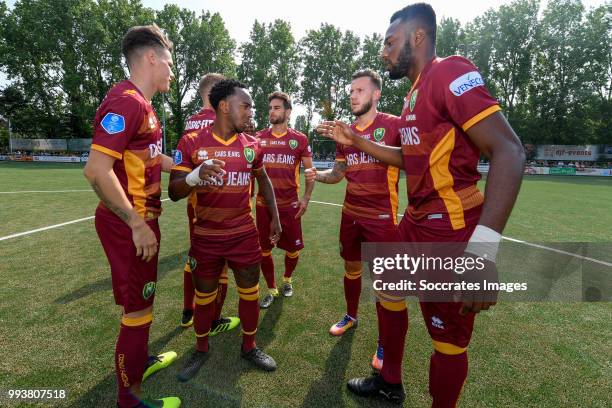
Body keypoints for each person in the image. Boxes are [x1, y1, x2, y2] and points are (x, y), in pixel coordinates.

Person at [317, 3, 525, 405]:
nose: (383, 52)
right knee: (388, 288)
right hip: (416, 220)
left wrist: (482, 254)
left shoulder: (450, 72)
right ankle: (390, 381)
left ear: (418, 37)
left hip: (450, 227)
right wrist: (357, 141)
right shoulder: (413, 95)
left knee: (447, 339)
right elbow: (411, 161)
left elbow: (509, 151)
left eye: (390, 42)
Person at [83, 24, 181, 408]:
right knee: (138, 309)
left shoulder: (144, 105)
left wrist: (192, 168)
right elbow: (96, 170)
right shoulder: (127, 102)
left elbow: (152, 158)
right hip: (129, 224)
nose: (172, 71)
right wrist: (137, 224)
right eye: (170, 62)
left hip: (143, 220)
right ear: (151, 58)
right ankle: (129, 398)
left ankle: (139, 364)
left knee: (145, 302)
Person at [169, 79, 281, 381]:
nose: (250, 112)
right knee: (204, 296)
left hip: (243, 234)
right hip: (205, 236)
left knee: (249, 291)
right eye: (245, 106)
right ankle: (201, 348)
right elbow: (174, 191)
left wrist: (275, 216)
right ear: (224, 106)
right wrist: (194, 176)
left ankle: (249, 346)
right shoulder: (191, 141)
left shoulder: (252, 145)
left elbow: (264, 181)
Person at [314, 69, 402, 373]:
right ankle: (351, 316)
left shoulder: (393, 126)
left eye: (360, 90)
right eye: (351, 90)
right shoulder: (343, 133)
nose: (353, 95)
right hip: (351, 213)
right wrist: (317, 175)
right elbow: (339, 173)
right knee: (351, 268)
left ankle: (384, 340)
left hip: (382, 217)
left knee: (384, 282)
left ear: (376, 94)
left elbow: (407, 159)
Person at [176, 72, 240, 337]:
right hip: (219, 203)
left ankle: (187, 311)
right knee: (219, 261)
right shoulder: (222, 121)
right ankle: (213, 319)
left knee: (194, 256)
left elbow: (181, 169)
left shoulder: (190, 123)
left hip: (194, 202)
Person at [256, 91, 315, 308]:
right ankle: (271, 288)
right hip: (263, 206)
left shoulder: (299, 139)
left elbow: (310, 172)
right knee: (264, 250)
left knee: (293, 250)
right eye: (270, 107)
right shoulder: (258, 138)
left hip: (290, 206)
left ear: (288, 112)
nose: (272, 111)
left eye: (277, 107)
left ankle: (287, 280)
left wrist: (306, 199)